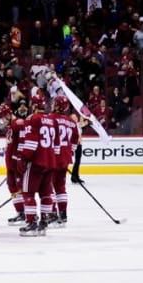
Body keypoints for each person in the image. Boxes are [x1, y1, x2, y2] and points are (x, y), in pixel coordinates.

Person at [16, 93, 57, 237]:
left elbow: (31, 143)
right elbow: (55, 144)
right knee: (46, 193)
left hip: (36, 162)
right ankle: (44, 221)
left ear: (33, 105)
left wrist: (23, 158)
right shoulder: (51, 120)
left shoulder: (31, 118)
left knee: (28, 192)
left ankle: (32, 222)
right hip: (50, 162)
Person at [51, 96, 79, 227]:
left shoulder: (50, 119)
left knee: (48, 187)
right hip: (65, 158)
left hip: (51, 157)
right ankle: (63, 215)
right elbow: (75, 142)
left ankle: (51, 214)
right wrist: (68, 153)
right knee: (60, 187)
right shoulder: (72, 122)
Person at [0, 102, 27, 226]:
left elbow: (22, 142)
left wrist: (19, 159)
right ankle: (20, 212)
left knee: (21, 188)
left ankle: (28, 213)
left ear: (9, 114)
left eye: (3, 116)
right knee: (12, 186)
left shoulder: (18, 123)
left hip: (17, 163)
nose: (2, 120)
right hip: (10, 164)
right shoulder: (11, 126)